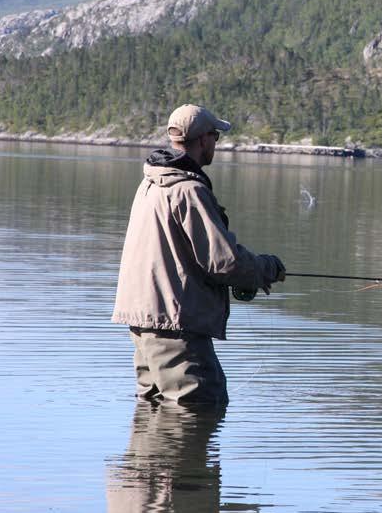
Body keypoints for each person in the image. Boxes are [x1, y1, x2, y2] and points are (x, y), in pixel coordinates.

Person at [112, 104, 284, 404]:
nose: (216, 143)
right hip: (174, 323)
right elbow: (223, 261)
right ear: (203, 139)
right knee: (199, 404)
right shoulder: (187, 190)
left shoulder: (152, 181)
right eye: (215, 136)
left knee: (154, 408)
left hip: (144, 319)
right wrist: (267, 268)